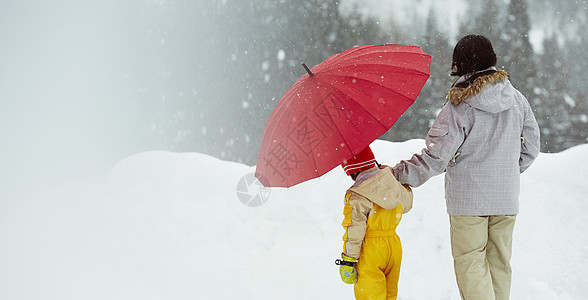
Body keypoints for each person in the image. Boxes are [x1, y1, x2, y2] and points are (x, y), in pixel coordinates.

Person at [391, 34, 540, 300]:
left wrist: (399, 174)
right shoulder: (517, 99)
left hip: (468, 201)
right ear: (492, 60)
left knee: (471, 264)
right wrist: (503, 170)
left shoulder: (460, 105)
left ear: (459, 66)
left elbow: (437, 156)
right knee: (499, 266)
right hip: (506, 199)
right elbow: (531, 148)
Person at [335, 145, 413, 300]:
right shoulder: (391, 182)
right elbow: (408, 204)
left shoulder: (357, 195)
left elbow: (354, 231)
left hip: (370, 251)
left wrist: (348, 260)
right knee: (390, 294)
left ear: (351, 172)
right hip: (394, 246)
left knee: (370, 296)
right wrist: (398, 183)